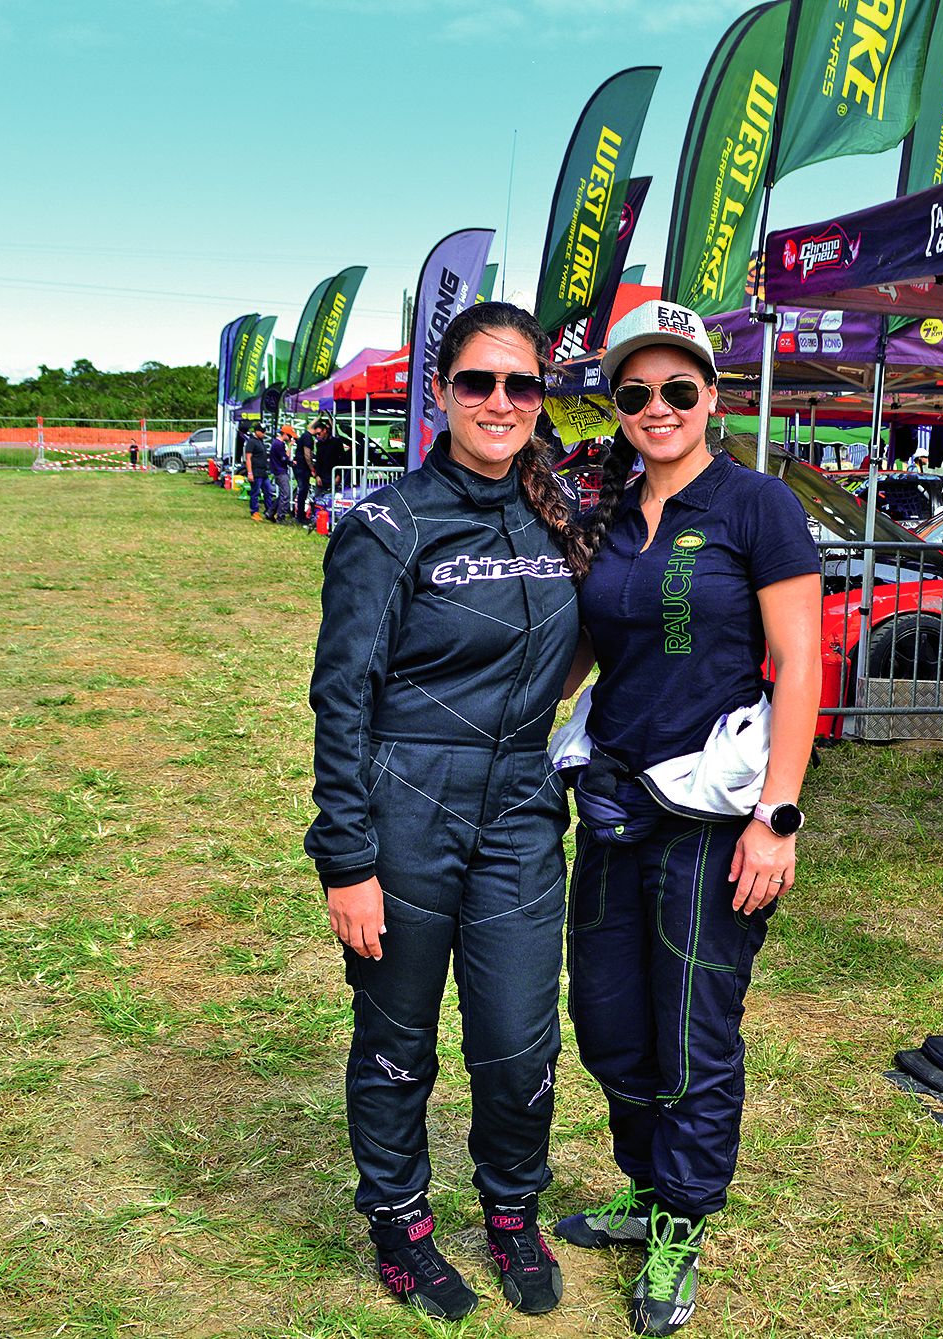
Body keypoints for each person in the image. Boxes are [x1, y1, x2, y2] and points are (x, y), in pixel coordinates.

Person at [305, 302, 592, 1322]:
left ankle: (511, 1209)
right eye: (478, 381)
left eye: (521, 384)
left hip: (519, 809)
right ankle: (399, 1226)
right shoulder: (386, 526)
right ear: (440, 392)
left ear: (540, 397)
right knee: (398, 1041)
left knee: (519, 1039)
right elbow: (341, 698)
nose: (499, 402)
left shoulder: (560, 514)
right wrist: (347, 859)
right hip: (405, 811)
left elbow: (594, 637)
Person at [555, 301, 821, 1336]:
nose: (655, 407)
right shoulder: (611, 515)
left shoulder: (756, 504)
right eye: (634, 392)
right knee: (607, 1022)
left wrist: (777, 814)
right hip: (614, 801)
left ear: (711, 395)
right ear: (617, 406)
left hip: (712, 817)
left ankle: (682, 1219)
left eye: (676, 388)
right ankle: (643, 1186)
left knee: (691, 1031)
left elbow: (799, 660)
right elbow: (586, 651)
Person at [242, 422, 273, 521]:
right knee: (255, 493)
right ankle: (254, 512)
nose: (264, 434)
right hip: (255, 472)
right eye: (262, 432)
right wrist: (250, 473)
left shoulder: (261, 441)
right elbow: (248, 458)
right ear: (257, 431)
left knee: (268, 491)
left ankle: (269, 511)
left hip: (263, 472)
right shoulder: (251, 442)